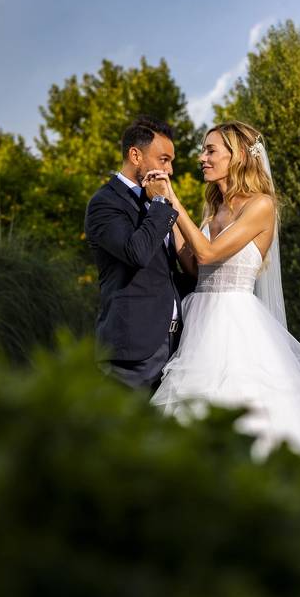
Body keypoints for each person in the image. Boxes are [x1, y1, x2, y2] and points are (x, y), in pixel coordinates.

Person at [149, 121, 300, 464]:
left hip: (236, 325)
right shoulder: (215, 208)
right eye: (204, 150)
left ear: (236, 156)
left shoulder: (261, 206)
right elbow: (195, 266)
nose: (202, 158)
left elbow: (209, 254)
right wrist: (166, 212)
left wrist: (172, 202)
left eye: (210, 150)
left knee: (251, 412)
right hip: (201, 320)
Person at [84, 116, 195, 394]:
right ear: (136, 155)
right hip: (132, 353)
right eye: (164, 159)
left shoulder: (158, 202)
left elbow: (169, 271)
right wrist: (160, 202)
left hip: (177, 345)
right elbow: (137, 253)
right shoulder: (105, 203)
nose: (169, 170)